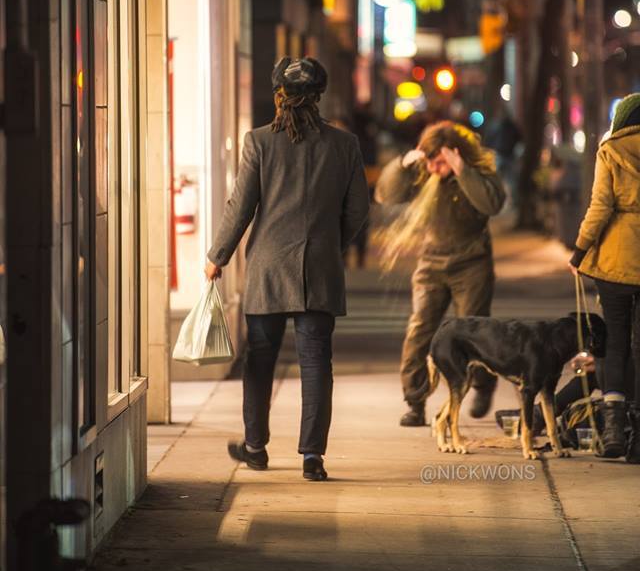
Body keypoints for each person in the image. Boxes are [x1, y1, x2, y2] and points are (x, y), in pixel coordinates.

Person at [205, 57, 369, 481]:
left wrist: (217, 256)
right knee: (317, 362)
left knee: (260, 359)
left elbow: (240, 206)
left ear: (280, 95)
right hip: (320, 268)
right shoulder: (345, 145)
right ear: (318, 97)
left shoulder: (259, 141)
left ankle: (256, 448)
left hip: (268, 269)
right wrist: (331, 244)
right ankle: (312, 457)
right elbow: (358, 211)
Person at [375, 121, 506, 427]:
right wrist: (403, 163)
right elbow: (385, 194)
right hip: (431, 262)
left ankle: (483, 384)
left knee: (473, 331)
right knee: (420, 331)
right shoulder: (423, 173)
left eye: (440, 161)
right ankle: (415, 400)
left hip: (472, 262)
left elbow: (492, 203)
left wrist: (462, 169)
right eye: (430, 161)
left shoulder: (476, 171)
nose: (434, 168)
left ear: (455, 154)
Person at [569, 92, 640, 462]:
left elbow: (600, 207)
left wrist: (579, 251)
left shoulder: (611, 150)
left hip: (614, 262)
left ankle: (612, 430)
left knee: (615, 343)